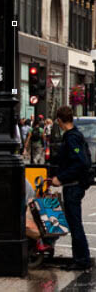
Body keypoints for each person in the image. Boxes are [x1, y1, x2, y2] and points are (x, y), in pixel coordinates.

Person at [52, 105, 92, 272]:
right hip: (74, 185)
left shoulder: (72, 138)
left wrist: (61, 178)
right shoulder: (76, 136)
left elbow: (80, 161)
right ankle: (81, 258)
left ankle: (82, 260)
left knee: (75, 224)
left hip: (73, 186)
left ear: (60, 121)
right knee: (74, 223)